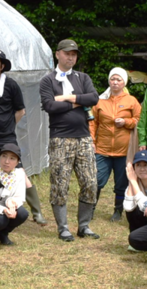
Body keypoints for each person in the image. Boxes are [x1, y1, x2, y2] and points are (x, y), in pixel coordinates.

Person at [0, 47, 46, 224]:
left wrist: (8, 126)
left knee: (20, 172)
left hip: (6, 137)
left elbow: (20, 111)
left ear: (1, 66)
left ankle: (36, 212)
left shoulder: (11, 85)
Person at [39, 39, 101, 241]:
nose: (71, 57)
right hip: (60, 138)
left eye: (74, 54)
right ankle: (63, 227)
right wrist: (78, 101)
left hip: (83, 137)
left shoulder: (82, 77)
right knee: (60, 183)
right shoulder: (48, 80)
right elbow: (49, 106)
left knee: (90, 181)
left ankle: (84, 225)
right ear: (58, 54)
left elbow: (93, 98)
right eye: (67, 53)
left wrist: (66, 98)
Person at [90, 67, 140, 221]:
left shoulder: (131, 101)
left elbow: (139, 120)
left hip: (123, 150)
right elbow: (92, 122)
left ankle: (118, 211)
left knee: (121, 182)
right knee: (97, 180)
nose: (115, 82)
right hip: (102, 149)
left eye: (119, 79)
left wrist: (126, 122)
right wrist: (92, 141)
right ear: (109, 81)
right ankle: (89, 210)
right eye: (113, 79)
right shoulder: (100, 100)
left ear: (124, 82)